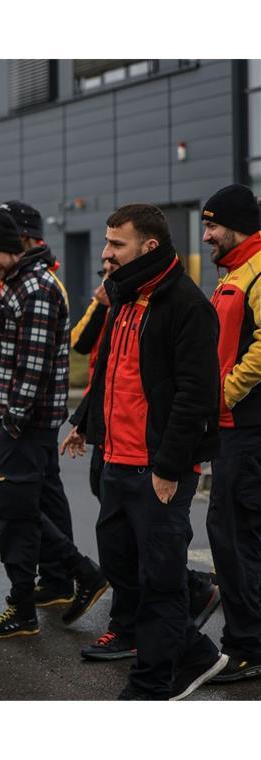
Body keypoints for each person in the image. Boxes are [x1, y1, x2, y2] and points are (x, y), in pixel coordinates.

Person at [62, 204, 226, 700]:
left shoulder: (186, 304)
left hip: (157, 469)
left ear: (149, 247)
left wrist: (171, 466)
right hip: (115, 458)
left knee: (160, 583)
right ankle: (197, 652)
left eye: (117, 244)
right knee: (123, 568)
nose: (106, 253)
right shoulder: (124, 297)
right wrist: (85, 424)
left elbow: (196, 395)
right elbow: (111, 372)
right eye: (108, 243)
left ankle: (152, 684)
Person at [0, 210, 108, 639]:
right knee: (19, 511)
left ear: (13, 249)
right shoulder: (15, 282)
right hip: (10, 421)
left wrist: (11, 420)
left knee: (16, 514)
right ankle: (77, 576)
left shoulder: (37, 288)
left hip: (23, 425)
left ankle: (28, 607)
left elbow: (33, 364)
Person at [202, 183, 261, 684]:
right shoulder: (235, 274)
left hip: (246, 427)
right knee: (232, 535)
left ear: (237, 225)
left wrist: (226, 392)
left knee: (236, 536)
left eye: (212, 225)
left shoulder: (257, 271)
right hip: (230, 427)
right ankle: (245, 639)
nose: (205, 235)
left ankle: (248, 646)